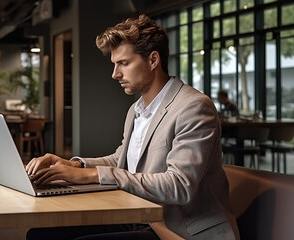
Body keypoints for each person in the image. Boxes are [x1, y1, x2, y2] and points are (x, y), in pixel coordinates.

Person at [26, 14, 240, 240]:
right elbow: (123, 159)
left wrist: (91, 176)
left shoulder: (194, 107)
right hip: (143, 217)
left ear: (153, 60)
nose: (115, 74)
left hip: (180, 230)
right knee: (42, 235)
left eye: (124, 63)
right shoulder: (136, 110)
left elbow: (179, 185)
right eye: (115, 64)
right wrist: (74, 165)